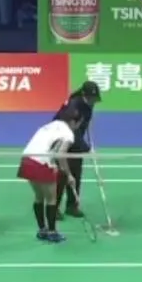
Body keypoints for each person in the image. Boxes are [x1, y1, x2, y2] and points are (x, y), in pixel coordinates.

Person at [17, 107, 82, 243]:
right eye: (78, 123)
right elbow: (60, 154)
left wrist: (57, 167)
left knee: (39, 197)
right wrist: (69, 175)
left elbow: (52, 150)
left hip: (27, 160)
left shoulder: (51, 125)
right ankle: (52, 232)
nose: (78, 127)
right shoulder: (68, 134)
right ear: (73, 122)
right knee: (51, 199)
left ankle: (42, 230)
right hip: (41, 163)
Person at [54, 81, 102, 219]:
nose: (94, 101)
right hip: (62, 137)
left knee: (76, 173)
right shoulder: (73, 106)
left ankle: (72, 206)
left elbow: (83, 125)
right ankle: (54, 208)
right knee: (62, 175)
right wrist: (86, 148)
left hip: (75, 138)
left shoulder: (88, 104)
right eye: (92, 98)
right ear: (84, 95)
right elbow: (70, 131)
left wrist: (83, 143)